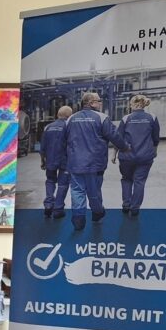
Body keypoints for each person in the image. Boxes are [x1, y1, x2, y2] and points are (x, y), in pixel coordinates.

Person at [64, 92, 129, 231]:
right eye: (99, 101)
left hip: (75, 163)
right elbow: (115, 136)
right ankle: (97, 213)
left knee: (76, 190)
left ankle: (78, 220)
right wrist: (125, 147)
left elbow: (64, 139)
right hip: (95, 164)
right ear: (92, 102)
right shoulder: (102, 118)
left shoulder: (70, 119)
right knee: (94, 191)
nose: (100, 103)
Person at [112, 95, 160, 217]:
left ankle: (126, 204)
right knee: (140, 181)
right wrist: (154, 151)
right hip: (145, 156)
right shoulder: (152, 117)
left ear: (132, 104)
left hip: (126, 157)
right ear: (144, 104)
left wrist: (114, 154)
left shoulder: (126, 118)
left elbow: (119, 138)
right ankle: (135, 208)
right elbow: (155, 138)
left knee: (126, 179)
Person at [39, 105, 72, 218]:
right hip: (65, 160)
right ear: (69, 116)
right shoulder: (69, 127)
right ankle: (58, 209)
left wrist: (42, 160)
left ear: (58, 115)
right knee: (63, 184)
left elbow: (42, 147)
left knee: (50, 181)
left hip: (50, 159)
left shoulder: (48, 127)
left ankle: (48, 204)